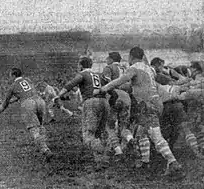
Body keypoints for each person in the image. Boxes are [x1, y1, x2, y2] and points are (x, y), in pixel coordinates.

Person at [94, 47, 186, 180]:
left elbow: (121, 80)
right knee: (142, 132)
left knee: (155, 136)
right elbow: (138, 86)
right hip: (156, 102)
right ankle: (145, 161)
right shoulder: (149, 69)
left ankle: (173, 163)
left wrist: (104, 88)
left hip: (146, 105)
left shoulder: (134, 68)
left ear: (131, 57)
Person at [53, 57, 123, 170]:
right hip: (104, 103)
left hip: (90, 102)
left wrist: (59, 95)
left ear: (81, 65)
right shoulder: (100, 75)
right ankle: (102, 160)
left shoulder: (82, 74)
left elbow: (70, 84)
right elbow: (114, 94)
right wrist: (109, 105)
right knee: (99, 134)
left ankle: (101, 152)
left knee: (88, 135)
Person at [0, 68, 53, 161]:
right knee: (41, 127)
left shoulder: (12, 86)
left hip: (28, 104)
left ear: (13, 75)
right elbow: (25, 93)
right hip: (40, 101)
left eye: (9, 76)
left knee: (34, 129)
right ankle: (45, 147)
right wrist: (13, 101)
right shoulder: (28, 80)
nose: (9, 78)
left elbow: (4, 105)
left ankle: (45, 150)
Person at [151, 57, 203, 158]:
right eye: (161, 65)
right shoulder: (162, 76)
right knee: (185, 128)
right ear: (158, 65)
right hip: (176, 104)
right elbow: (177, 85)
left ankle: (164, 152)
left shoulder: (156, 79)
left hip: (165, 106)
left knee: (163, 131)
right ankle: (197, 151)